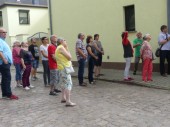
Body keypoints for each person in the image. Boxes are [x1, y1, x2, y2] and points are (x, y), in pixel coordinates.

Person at [55, 38, 76, 107]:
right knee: (68, 84)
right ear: (61, 41)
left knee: (64, 83)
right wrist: (66, 48)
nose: (66, 42)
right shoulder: (61, 47)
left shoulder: (59, 47)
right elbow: (70, 57)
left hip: (62, 68)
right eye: (65, 41)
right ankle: (68, 101)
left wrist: (66, 47)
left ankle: (63, 98)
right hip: (64, 68)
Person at [0, 28, 19, 100]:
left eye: (6, 32)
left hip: (5, 62)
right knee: (7, 78)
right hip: (4, 62)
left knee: (5, 78)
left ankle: (5, 94)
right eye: (3, 32)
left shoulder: (3, 41)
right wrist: (4, 59)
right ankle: (8, 94)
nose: (5, 33)